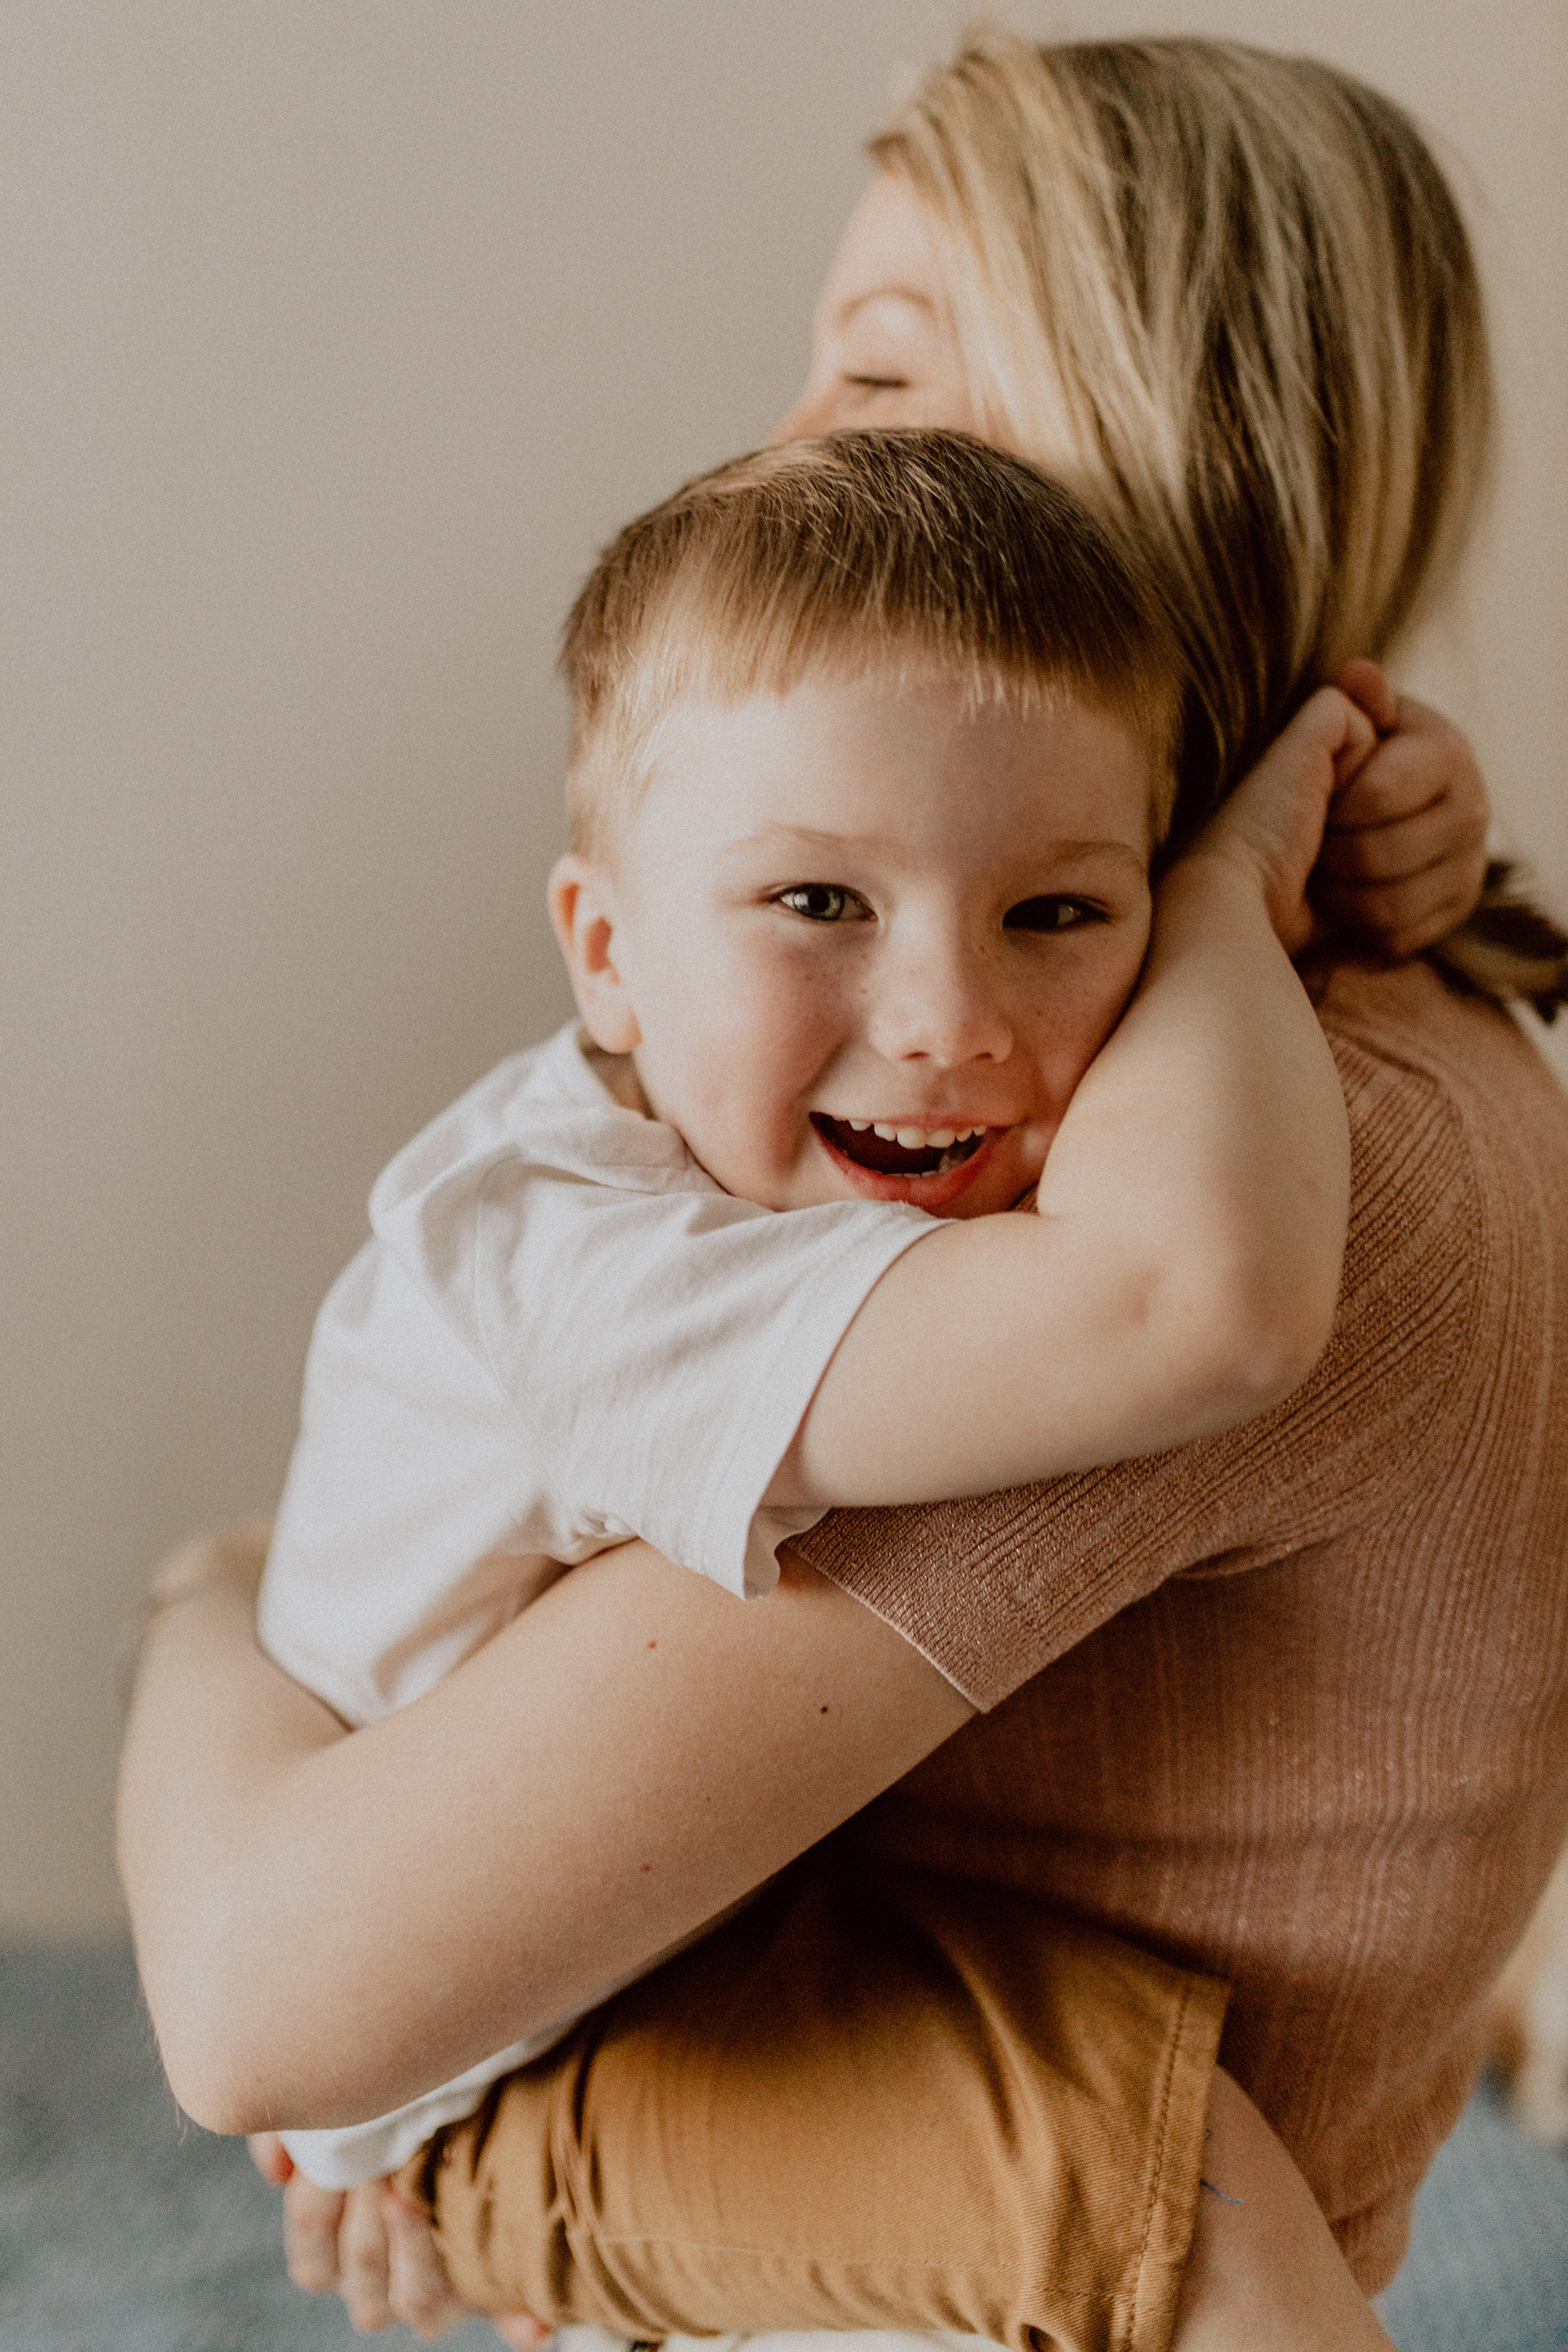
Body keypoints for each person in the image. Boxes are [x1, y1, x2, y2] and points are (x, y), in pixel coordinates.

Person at [116, 27, 1568, 2352]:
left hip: (825, 2178)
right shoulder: (1370, 1043)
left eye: (877, 380)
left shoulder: (1191, 1192)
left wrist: (191, 1622)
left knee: (1147, 2183)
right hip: (664, 2093)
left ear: (1148, 466)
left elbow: (269, 2000)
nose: (780, 448)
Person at [254, 426, 1358, 2210]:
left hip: (662, 1932)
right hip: (497, 2074)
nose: (946, 1015)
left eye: (1060, 908)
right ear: (603, 951)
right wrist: (1232, 892)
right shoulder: (579, 1266)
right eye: (818, 901)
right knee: (1159, 2188)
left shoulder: (716, 1160)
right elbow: (1194, 1304)